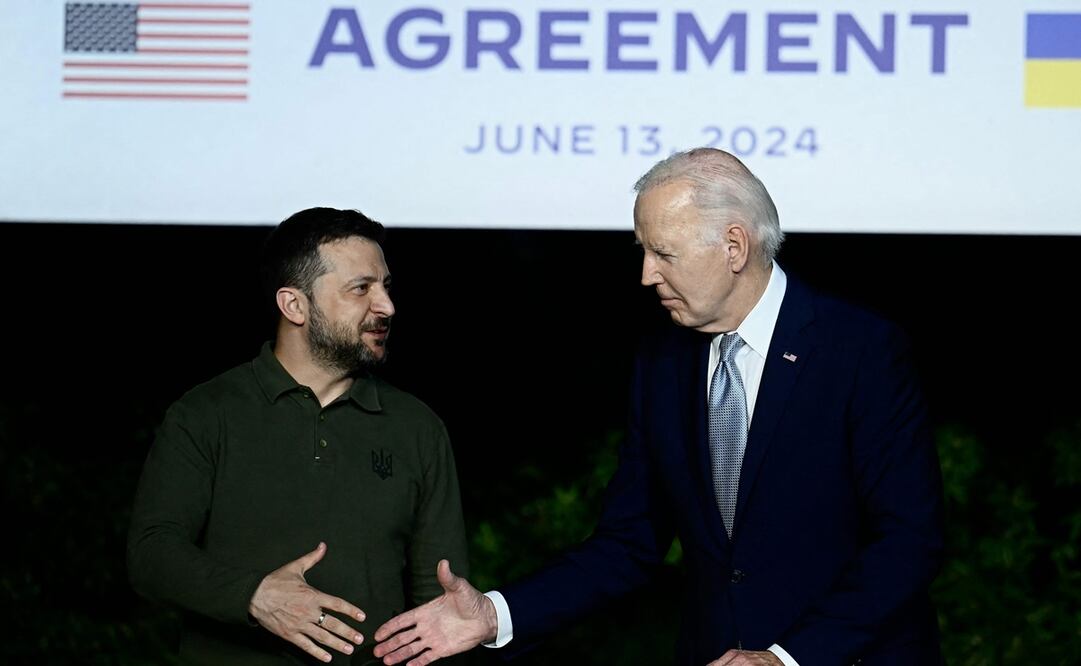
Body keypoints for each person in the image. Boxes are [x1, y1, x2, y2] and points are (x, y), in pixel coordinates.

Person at [371, 149, 944, 666]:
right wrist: (496, 614)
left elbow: (908, 541)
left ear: (735, 247)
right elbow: (629, 541)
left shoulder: (861, 351)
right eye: (643, 251)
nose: (647, 275)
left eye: (664, 253)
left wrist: (785, 659)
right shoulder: (664, 362)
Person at [127, 207, 469, 665]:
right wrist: (256, 596)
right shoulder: (207, 413)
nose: (386, 306)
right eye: (361, 288)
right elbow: (151, 557)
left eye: (386, 286)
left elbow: (438, 603)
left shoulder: (417, 427)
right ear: (294, 305)